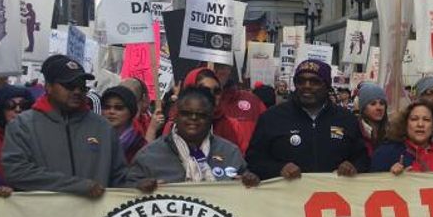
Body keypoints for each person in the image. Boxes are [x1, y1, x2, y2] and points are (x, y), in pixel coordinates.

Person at [1, 55, 130, 197]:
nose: (77, 91)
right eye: (69, 85)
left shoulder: (103, 128)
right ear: (49, 87)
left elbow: (119, 176)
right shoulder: (23, 125)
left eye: (81, 86)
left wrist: (138, 184)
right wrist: (76, 186)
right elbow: (17, 172)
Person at [247, 59, 367, 179]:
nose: (307, 86)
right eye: (301, 81)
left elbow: (363, 159)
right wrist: (279, 169)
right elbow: (254, 160)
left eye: (315, 82)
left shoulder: (347, 119)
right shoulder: (271, 118)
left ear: (327, 85)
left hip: (333, 195)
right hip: (286, 196)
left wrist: (353, 166)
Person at [129, 88, 260, 188]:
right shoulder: (149, 155)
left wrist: (250, 182)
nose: (193, 118)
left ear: (211, 117)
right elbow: (124, 193)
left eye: (201, 115)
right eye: (186, 113)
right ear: (176, 115)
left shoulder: (230, 152)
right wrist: (139, 188)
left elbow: (247, 192)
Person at [371, 101, 433, 174]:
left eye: (426, 120)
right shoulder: (386, 153)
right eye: (414, 119)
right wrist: (392, 180)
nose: (420, 124)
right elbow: (372, 186)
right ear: (405, 124)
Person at [101, 86, 147, 163]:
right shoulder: (93, 138)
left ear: (131, 112)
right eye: (107, 107)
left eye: (119, 108)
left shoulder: (140, 146)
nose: (111, 111)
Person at [356, 82, 388, 156]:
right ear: (363, 108)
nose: (379, 108)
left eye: (382, 103)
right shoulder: (355, 131)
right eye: (373, 104)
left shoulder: (391, 132)